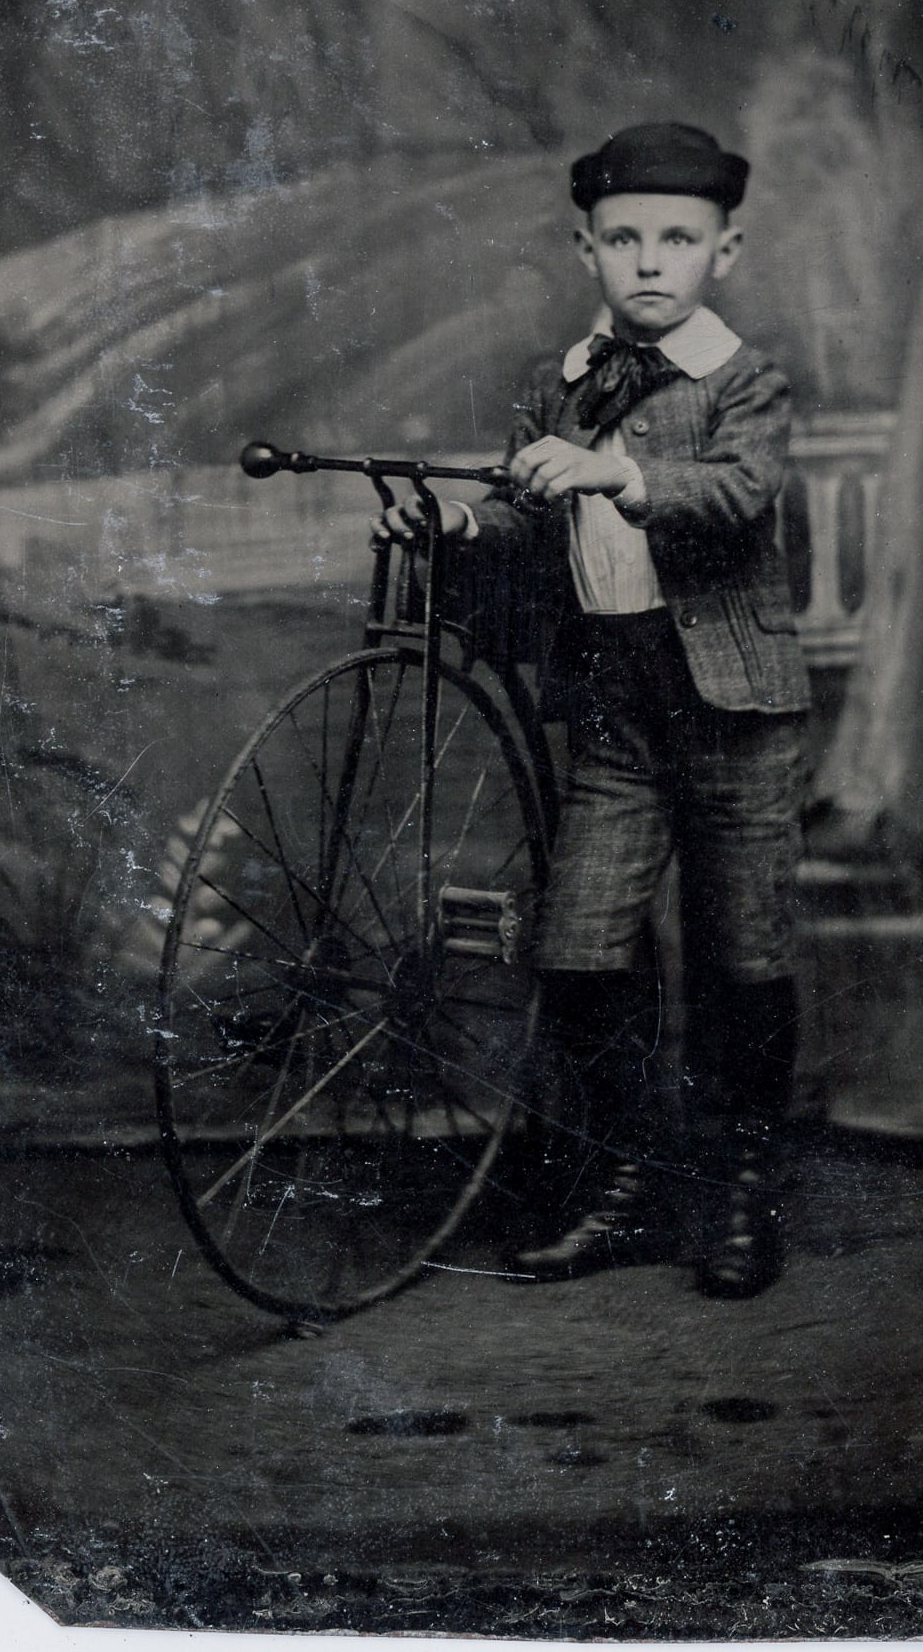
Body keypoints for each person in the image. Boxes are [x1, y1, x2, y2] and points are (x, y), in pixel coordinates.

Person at [377, 122, 809, 1298]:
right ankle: (628, 1185)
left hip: (734, 709)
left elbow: (737, 491)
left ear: (727, 248)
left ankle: (738, 1191)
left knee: (744, 954)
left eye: (679, 237)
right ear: (587, 249)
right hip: (615, 703)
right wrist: (464, 525)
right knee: (579, 945)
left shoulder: (745, 379)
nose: (651, 260)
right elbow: (530, 513)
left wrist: (616, 473)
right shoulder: (558, 384)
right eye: (625, 238)